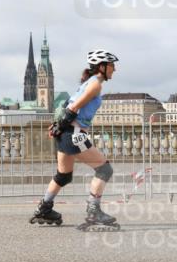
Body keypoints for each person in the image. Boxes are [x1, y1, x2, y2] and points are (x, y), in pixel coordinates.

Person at [30, 49, 120, 229]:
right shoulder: (95, 85)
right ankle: (94, 212)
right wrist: (60, 124)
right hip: (75, 134)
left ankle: (44, 208)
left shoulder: (88, 83)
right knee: (104, 170)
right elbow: (73, 109)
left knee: (63, 176)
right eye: (111, 65)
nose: (114, 69)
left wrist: (57, 126)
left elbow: (67, 105)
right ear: (101, 67)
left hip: (66, 133)